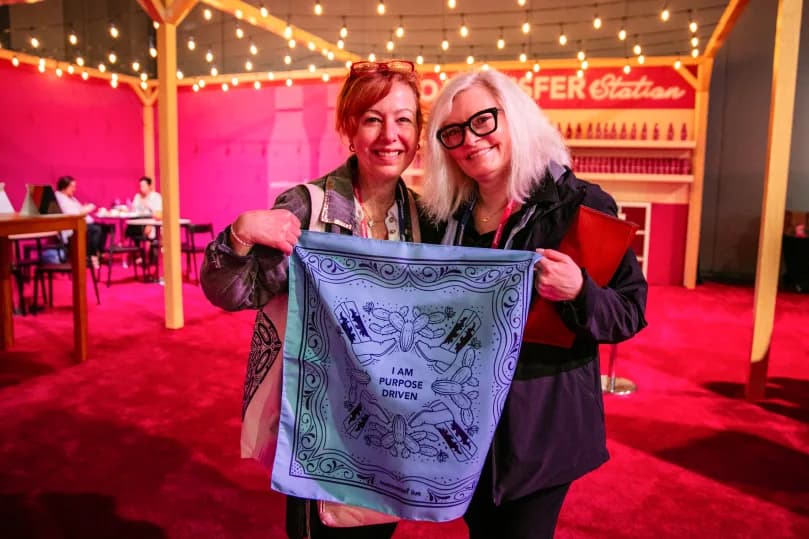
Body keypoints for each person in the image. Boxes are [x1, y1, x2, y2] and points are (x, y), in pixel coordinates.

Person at [200, 59, 435, 539]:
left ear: (418, 134)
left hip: (392, 421)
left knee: (376, 528)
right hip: (322, 425)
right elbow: (230, 292)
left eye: (404, 120)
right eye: (372, 119)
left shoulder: (424, 217)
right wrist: (240, 234)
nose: (390, 135)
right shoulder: (309, 207)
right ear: (349, 128)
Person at [420, 69, 648, 538]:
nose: (470, 140)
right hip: (461, 421)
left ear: (515, 117)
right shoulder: (447, 216)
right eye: (453, 132)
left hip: (540, 428)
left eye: (483, 120)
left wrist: (580, 291)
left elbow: (629, 311)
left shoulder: (579, 204)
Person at [54, 175, 103, 265]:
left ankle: (98, 253)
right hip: (70, 228)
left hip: (81, 224)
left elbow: (80, 209)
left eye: (75, 187)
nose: (74, 189)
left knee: (104, 227)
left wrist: (85, 208)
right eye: (72, 187)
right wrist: (87, 208)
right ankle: (91, 256)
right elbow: (73, 214)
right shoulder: (59, 197)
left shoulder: (71, 198)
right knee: (96, 229)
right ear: (64, 187)